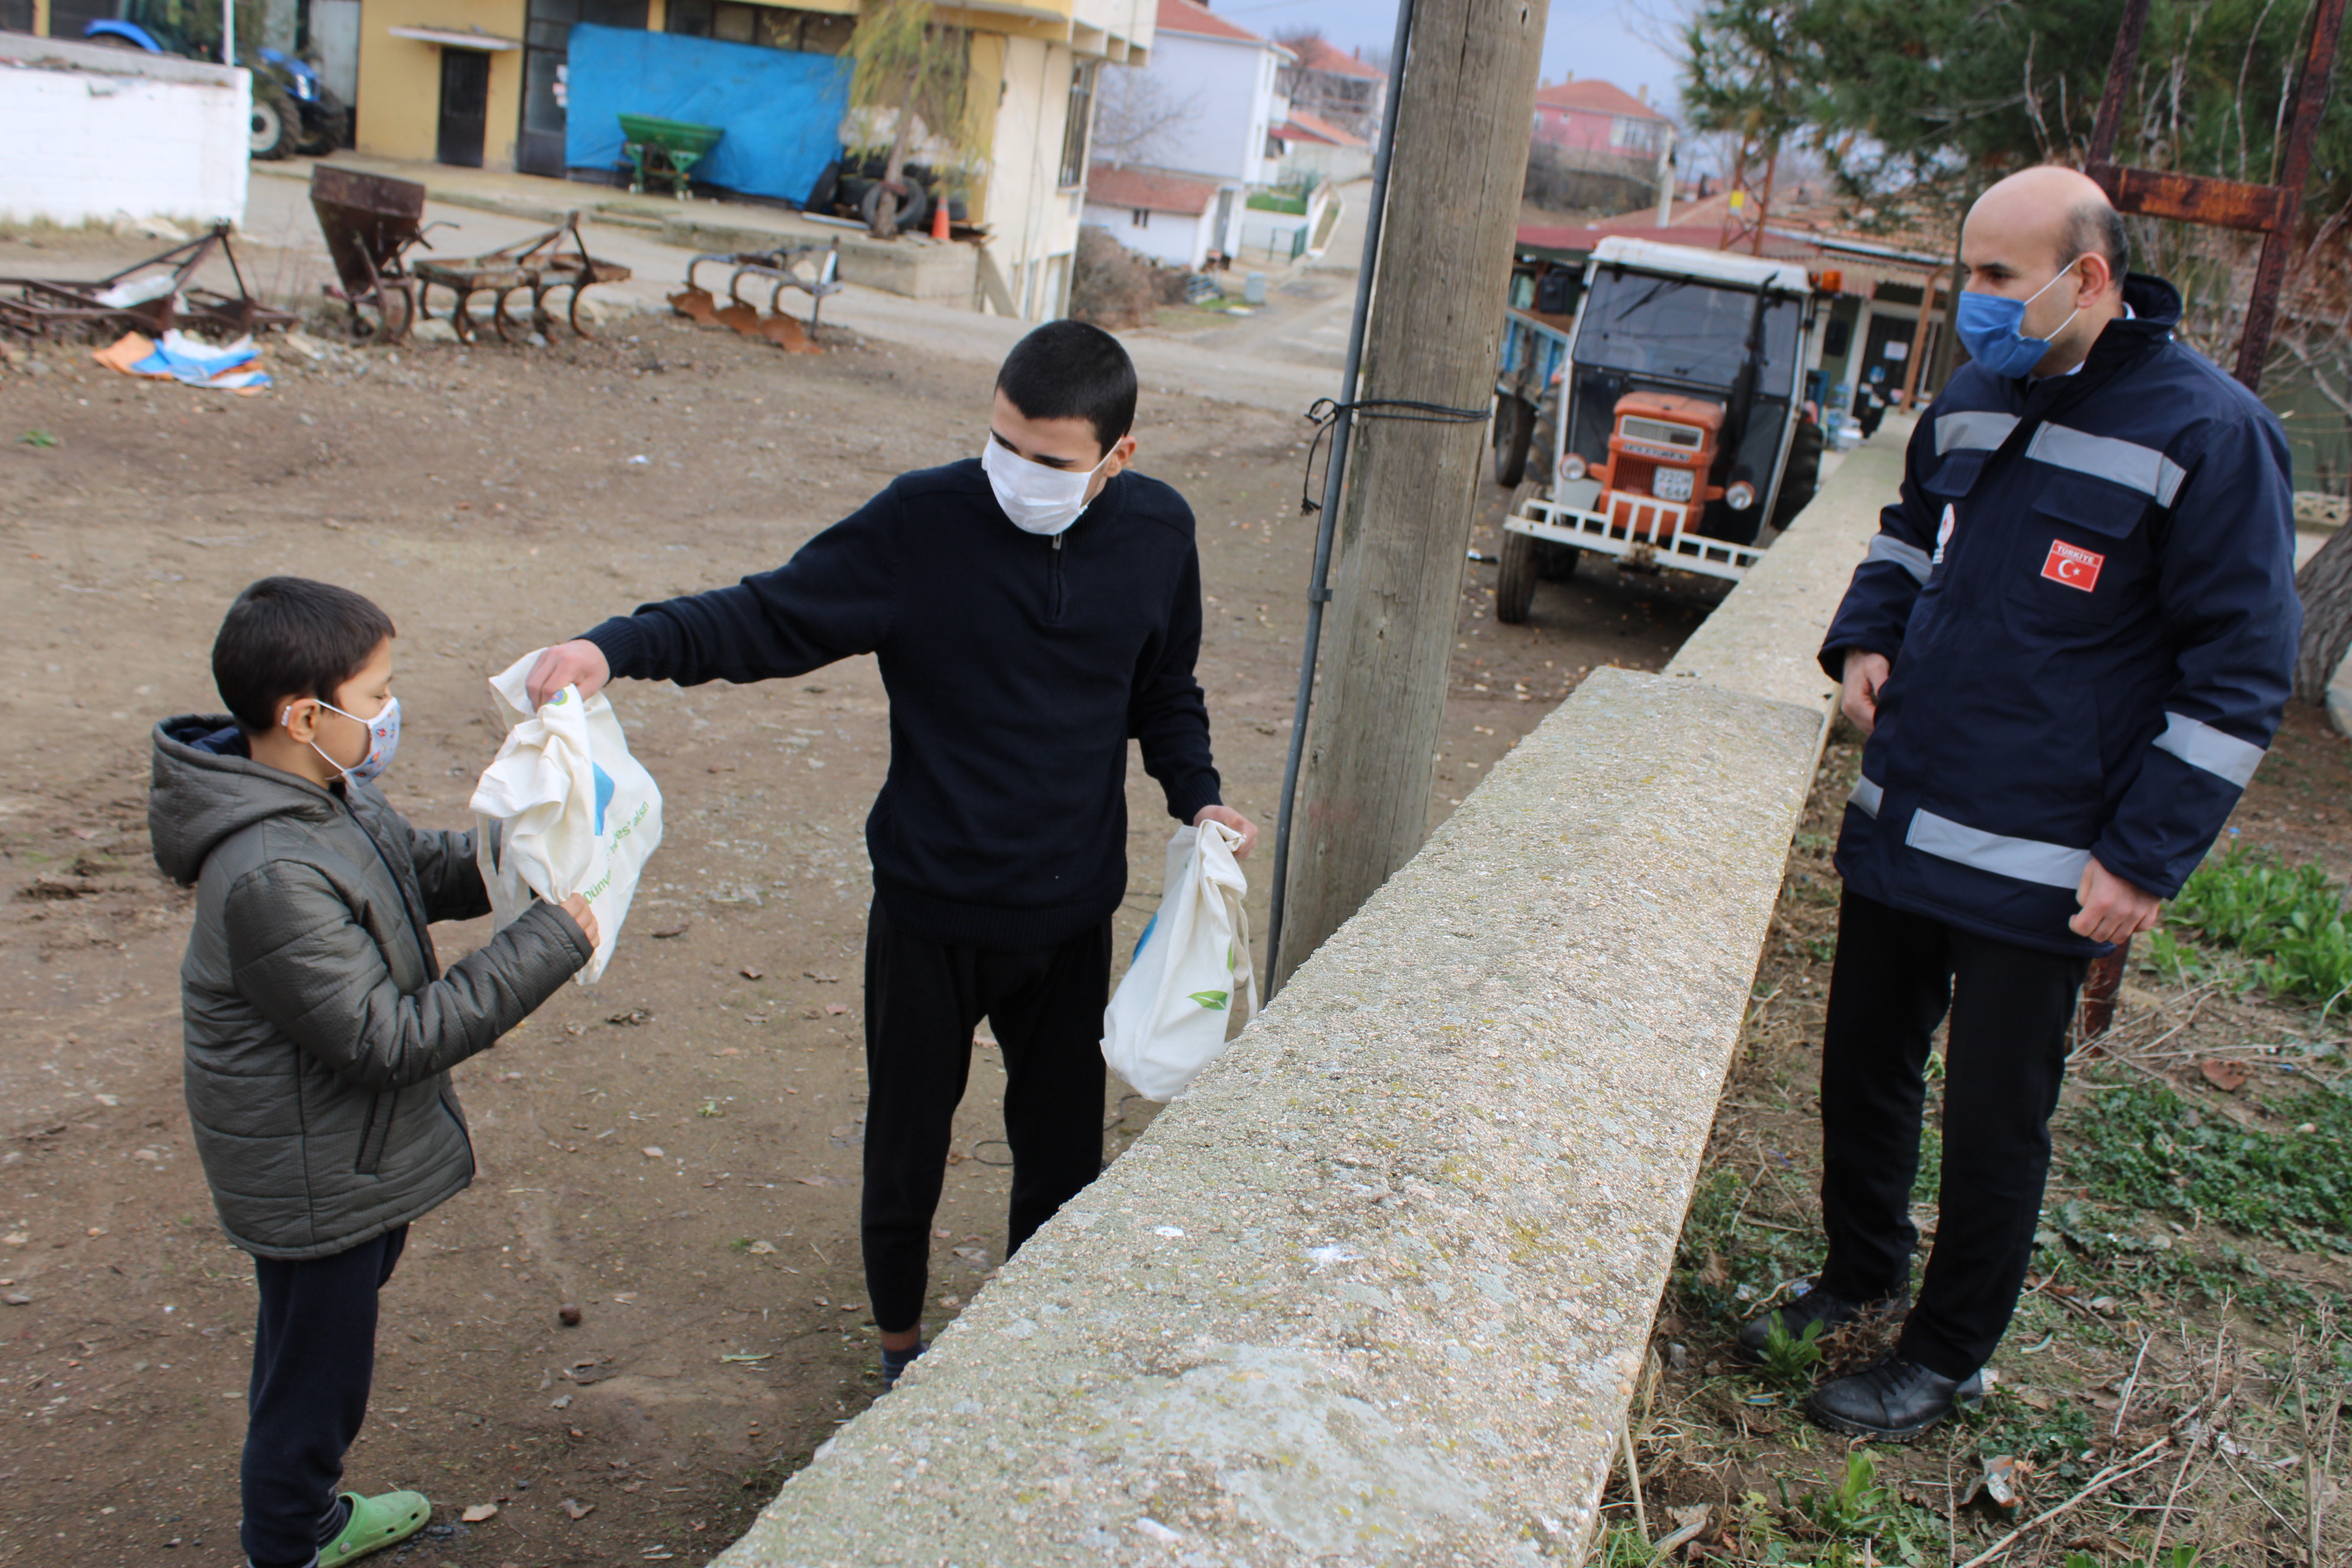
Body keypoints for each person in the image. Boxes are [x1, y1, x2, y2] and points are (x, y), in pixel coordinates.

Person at [523, 321, 1257, 1389]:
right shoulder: (924, 523)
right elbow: (767, 616)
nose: (1015, 475)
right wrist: (617, 646)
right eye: (1001, 443)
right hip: (930, 906)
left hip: (1069, 914)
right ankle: (900, 1353)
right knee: (907, 1144)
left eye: (1050, 461)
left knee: (1061, 1156)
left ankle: (1026, 1349)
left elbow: (1164, 687)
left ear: (1117, 459)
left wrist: (1198, 797)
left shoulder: (1158, 533)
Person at [1737, 166, 2299, 1439]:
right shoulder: (1979, 393)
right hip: (1909, 813)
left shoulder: (2210, 434)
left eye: (1997, 277)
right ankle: (1860, 1268)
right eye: (1966, 272)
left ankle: (1947, 1353)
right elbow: (1909, 526)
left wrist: (2145, 862)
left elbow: (2239, 672)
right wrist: (1866, 635)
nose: (1972, 302)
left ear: (2086, 277)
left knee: (1994, 1118)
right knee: (1863, 1070)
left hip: (2050, 857)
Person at [150, 577, 599, 1568]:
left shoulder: (324, 795)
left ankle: (299, 1517)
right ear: (304, 714)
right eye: (377, 692)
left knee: (310, 1348)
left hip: (340, 1154)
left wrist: (531, 836)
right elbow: (387, 1039)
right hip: (314, 1173)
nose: (390, 714)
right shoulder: (268, 870)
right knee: (318, 1375)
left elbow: (416, 871)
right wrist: (548, 943)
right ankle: (292, 1539)